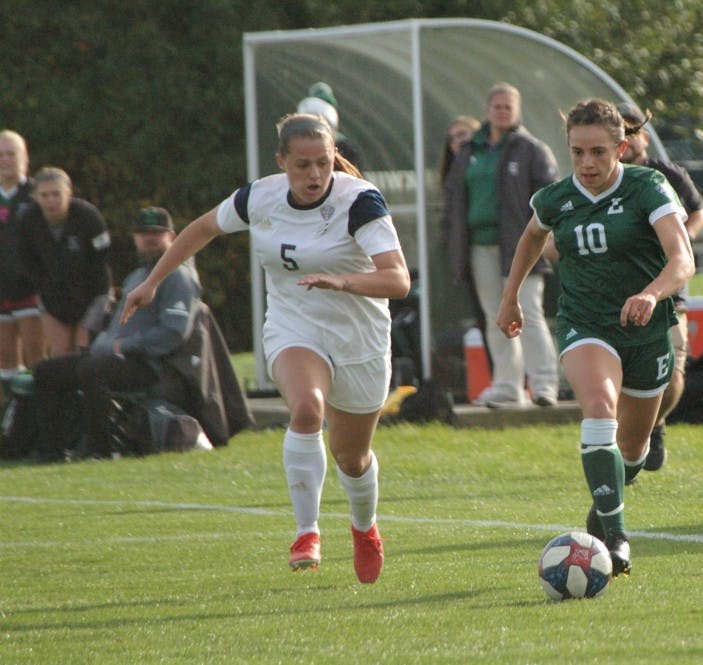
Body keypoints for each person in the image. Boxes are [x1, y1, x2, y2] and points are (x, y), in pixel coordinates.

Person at [121, 113, 410, 584]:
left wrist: (343, 282)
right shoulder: (260, 196)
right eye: (302, 165)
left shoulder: (359, 201)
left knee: (352, 459)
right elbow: (202, 228)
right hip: (295, 327)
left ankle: (364, 527)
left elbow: (398, 280)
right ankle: (306, 532)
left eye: (323, 163)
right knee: (307, 409)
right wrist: (153, 281)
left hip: (359, 338)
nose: (315, 175)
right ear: (281, 163)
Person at [497, 99, 695, 576]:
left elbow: (682, 258)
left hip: (645, 330)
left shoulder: (648, 187)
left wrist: (650, 294)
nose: (586, 163)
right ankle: (618, 537)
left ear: (621, 148)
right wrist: (510, 297)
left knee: (633, 451)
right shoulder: (556, 198)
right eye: (578, 152)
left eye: (598, 152)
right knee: (600, 407)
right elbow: (531, 237)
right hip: (584, 323)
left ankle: (603, 512)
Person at [31, 207, 201, 460]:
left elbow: (174, 333)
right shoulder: (136, 276)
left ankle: (99, 450)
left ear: (172, 238)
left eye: (157, 233)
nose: (150, 238)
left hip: (148, 365)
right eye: (144, 233)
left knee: (93, 370)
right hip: (111, 357)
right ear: (135, 239)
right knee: (47, 371)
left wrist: (125, 346)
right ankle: (51, 451)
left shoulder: (178, 276)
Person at [443, 82, 560, 408]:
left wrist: (545, 238)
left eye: (509, 106)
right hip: (479, 247)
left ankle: (545, 385)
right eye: (497, 106)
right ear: (487, 110)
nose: (503, 111)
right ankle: (508, 386)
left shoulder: (531, 149)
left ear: (517, 110)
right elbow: (454, 198)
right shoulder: (470, 150)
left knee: (529, 314)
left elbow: (550, 195)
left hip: (522, 247)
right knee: (496, 317)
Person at [617, 103, 703, 472]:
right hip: (619, 290)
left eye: (631, 130)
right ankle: (625, 447)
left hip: (668, 289)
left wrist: (684, 241)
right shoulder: (601, 180)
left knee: (671, 375)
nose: (626, 139)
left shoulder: (667, 175)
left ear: (644, 135)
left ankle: (654, 424)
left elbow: (697, 210)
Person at [18, 166, 111, 356]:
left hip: (92, 291)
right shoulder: (28, 219)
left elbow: (101, 258)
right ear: (35, 197)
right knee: (60, 352)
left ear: (69, 193)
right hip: (52, 293)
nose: (51, 200)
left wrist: (85, 297)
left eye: (56, 194)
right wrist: (47, 288)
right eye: (44, 195)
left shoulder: (88, 217)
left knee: (84, 350)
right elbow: (27, 259)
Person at [0, 130, 44, 395]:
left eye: (11, 154)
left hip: (31, 288)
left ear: (25, 158)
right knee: (4, 357)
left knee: (36, 355)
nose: (5, 160)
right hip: (2, 287)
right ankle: (9, 413)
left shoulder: (38, 194)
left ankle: (40, 412)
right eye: (0, 155)